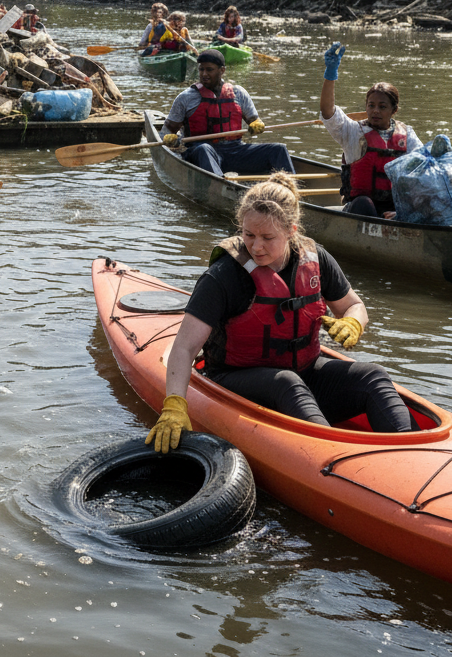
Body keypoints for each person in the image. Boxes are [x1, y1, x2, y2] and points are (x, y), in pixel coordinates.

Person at [145, 174, 417, 454]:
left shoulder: (316, 259)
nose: (256, 246)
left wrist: (353, 322)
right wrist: (174, 405)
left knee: (373, 376)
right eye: (249, 235)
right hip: (235, 378)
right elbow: (184, 347)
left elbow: (354, 305)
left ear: (291, 231)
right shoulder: (224, 276)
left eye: (267, 237)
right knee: (287, 383)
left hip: (304, 372)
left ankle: (411, 452)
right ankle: (333, 457)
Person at [319, 42, 423, 218]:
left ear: (394, 110)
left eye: (382, 107)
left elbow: (424, 168)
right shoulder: (352, 131)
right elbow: (327, 112)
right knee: (364, 203)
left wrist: (402, 212)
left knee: (416, 203)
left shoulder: (407, 135)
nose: (375, 111)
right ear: (366, 107)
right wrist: (330, 75)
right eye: (371, 105)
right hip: (360, 208)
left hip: (394, 209)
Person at [161, 50, 294, 176]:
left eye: (209, 70)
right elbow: (167, 130)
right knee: (204, 149)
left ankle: (292, 185)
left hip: (235, 150)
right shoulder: (186, 97)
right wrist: (170, 139)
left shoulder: (238, 93)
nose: (204, 74)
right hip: (200, 152)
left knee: (278, 149)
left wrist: (257, 124)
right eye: (201, 69)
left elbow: (254, 120)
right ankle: (220, 185)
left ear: (222, 70)